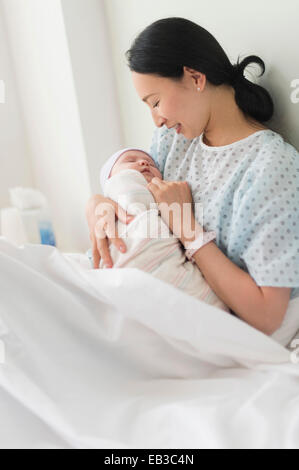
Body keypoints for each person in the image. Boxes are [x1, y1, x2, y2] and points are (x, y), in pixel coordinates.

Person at [86, 17, 299, 336]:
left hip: (218, 333)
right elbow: (137, 201)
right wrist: (98, 205)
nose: (157, 121)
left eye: (155, 102)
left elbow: (268, 315)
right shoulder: (174, 141)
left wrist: (187, 227)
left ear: (195, 77)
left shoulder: (271, 167)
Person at [87, 147, 229, 311]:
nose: (144, 162)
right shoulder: (116, 193)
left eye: (152, 164)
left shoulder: (168, 198)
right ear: (109, 179)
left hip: (168, 263)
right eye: (130, 160)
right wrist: (96, 201)